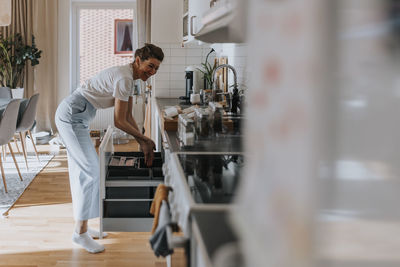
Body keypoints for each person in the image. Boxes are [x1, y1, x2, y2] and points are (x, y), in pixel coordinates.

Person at [55, 43, 164, 253]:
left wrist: (143, 139)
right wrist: (145, 140)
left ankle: (83, 228)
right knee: (91, 171)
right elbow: (119, 121)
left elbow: (129, 116)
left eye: (156, 69)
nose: (152, 72)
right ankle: (80, 233)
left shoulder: (129, 78)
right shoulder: (124, 78)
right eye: (150, 66)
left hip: (79, 115)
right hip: (72, 115)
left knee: (84, 171)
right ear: (138, 61)